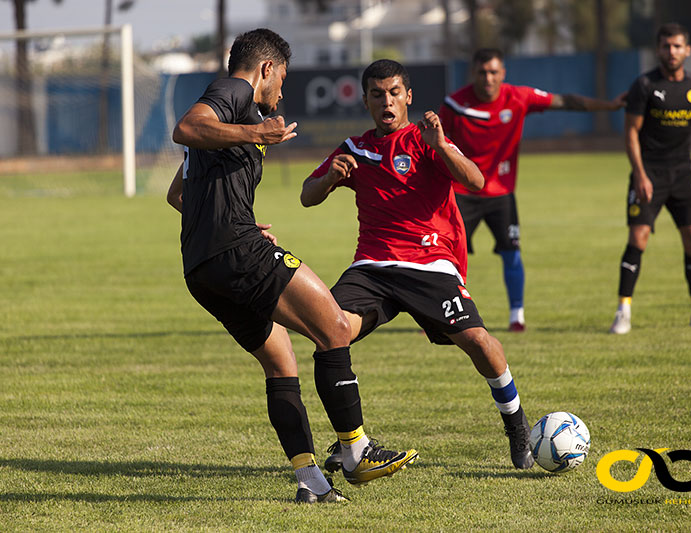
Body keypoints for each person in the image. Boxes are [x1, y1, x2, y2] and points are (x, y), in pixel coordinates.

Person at [167, 29, 417, 504]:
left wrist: (239, 220)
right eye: (281, 77)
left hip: (202, 266)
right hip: (234, 252)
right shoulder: (234, 92)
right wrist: (255, 133)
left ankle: (311, 484)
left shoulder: (232, 112)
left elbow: (178, 194)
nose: (282, 90)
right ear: (265, 69)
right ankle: (356, 451)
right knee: (335, 327)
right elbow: (186, 127)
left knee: (282, 362)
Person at [301, 59, 535, 471]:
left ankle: (516, 425)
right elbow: (307, 196)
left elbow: (476, 181)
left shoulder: (426, 139)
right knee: (329, 331)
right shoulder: (354, 148)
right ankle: (350, 442)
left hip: (430, 265)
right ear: (366, 100)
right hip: (371, 267)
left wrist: (442, 145)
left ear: (408, 97)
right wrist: (327, 178)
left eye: (394, 93)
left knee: (479, 343)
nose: (386, 101)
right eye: (377, 94)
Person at [439, 48, 625, 331]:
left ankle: (517, 316)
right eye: (482, 72)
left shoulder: (519, 97)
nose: (487, 78)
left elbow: (566, 102)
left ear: (503, 73)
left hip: (501, 193)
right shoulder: (454, 104)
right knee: (445, 257)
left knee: (511, 252)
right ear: (473, 74)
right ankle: (439, 314)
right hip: (461, 193)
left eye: (493, 72)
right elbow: (437, 148)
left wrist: (608, 106)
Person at [609, 23, 691, 334]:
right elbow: (630, 133)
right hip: (650, 174)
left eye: (677, 46)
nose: (671, 52)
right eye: (666, 46)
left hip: (683, 173)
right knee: (638, 238)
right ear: (658, 50)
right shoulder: (643, 85)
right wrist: (641, 174)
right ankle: (623, 312)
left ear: (687, 49)